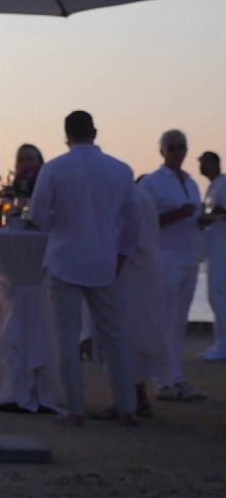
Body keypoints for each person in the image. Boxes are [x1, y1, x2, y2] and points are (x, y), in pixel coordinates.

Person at [27, 111, 141, 427]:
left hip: (64, 258)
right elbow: (134, 220)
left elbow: (37, 213)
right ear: (95, 132)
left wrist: (58, 227)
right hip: (104, 260)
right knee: (114, 337)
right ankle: (126, 406)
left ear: (67, 135)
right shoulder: (120, 170)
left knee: (66, 337)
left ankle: (75, 409)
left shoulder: (55, 168)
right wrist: (122, 254)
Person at [83, 175, 164, 419]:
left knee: (121, 336)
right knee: (135, 335)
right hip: (144, 276)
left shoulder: (130, 200)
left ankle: (129, 401)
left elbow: (126, 240)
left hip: (127, 276)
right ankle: (137, 398)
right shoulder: (143, 199)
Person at [139, 130, 206, 401]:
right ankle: (162, 380)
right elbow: (144, 221)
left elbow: (195, 216)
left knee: (179, 323)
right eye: (173, 148)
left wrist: (201, 220)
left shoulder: (191, 183)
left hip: (189, 257)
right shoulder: (152, 183)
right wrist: (177, 214)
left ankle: (176, 377)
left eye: (182, 147)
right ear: (162, 151)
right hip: (164, 257)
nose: (178, 152)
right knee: (164, 321)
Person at [196, 151, 226, 362]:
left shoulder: (223, 185)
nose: (201, 167)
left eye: (204, 163)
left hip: (222, 247)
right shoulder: (213, 186)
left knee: (218, 295)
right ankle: (219, 342)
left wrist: (210, 217)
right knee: (216, 296)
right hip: (213, 248)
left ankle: (223, 345)